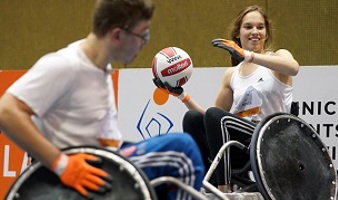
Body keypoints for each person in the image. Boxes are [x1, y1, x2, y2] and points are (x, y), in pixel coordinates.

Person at [0, 0, 204, 199]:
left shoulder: (100, 67)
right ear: (117, 35)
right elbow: (6, 112)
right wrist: (62, 164)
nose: (145, 43)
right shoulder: (66, 65)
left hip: (107, 158)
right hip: (90, 170)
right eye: (143, 34)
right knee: (182, 154)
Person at [153, 5, 299, 193]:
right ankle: (206, 182)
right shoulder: (231, 74)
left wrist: (249, 56)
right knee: (192, 118)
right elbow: (211, 119)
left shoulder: (278, 57)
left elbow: (293, 68)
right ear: (238, 34)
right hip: (238, 144)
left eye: (260, 27)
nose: (255, 32)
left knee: (215, 116)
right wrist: (182, 95)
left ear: (267, 34)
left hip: (268, 138)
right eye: (248, 27)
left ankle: (224, 188)